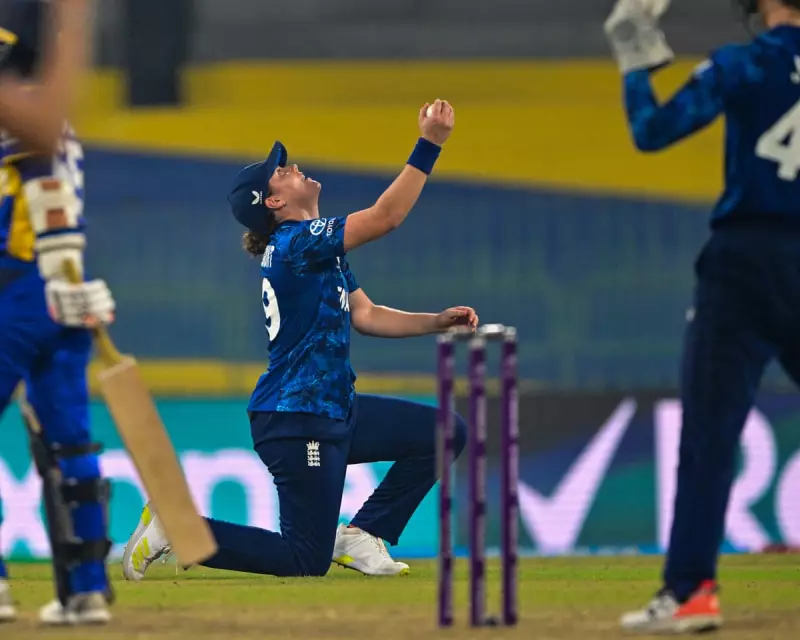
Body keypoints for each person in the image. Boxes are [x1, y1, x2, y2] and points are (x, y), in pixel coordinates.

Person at [122, 100, 475, 580]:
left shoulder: (313, 247)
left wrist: (435, 322)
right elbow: (386, 216)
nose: (292, 168)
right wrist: (430, 143)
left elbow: (367, 315)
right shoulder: (297, 242)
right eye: (280, 172)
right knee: (303, 559)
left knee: (444, 432)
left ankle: (364, 533)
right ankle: (177, 529)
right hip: (298, 419)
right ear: (273, 202)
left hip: (334, 408)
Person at [605, 0, 800, 634]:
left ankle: (691, 591)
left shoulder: (743, 63)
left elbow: (653, 131)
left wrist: (636, 56)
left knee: (711, 435)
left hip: (746, 263)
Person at [0, 0, 116, 626]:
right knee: (69, 444)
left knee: (66, 444)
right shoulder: (57, 124)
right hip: (64, 295)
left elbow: (33, 203)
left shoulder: (15, 121)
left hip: (13, 290)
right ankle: (85, 589)